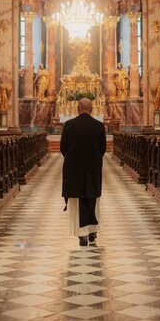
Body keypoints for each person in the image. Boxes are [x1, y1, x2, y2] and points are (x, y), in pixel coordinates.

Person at [60, 97, 106, 246]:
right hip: (92, 168)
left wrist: (73, 158)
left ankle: (82, 236)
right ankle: (93, 231)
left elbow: (63, 147)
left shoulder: (69, 125)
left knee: (76, 200)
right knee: (93, 198)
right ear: (92, 109)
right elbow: (102, 148)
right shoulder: (99, 126)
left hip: (74, 169)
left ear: (77, 109)